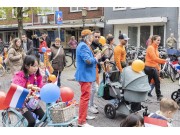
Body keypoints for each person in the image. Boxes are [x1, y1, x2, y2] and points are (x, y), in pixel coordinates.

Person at [75, 29, 101, 127]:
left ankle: (84, 116)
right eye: (91, 36)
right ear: (87, 37)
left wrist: (96, 57)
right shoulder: (83, 46)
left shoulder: (85, 46)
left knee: (86, 97)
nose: (92, 38)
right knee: (85, 98)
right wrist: (96, 58)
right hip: (85, 76)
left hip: (87, 76)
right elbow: (88, 61)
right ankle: (81, 121)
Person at [12, 55, 45, 127]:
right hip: (20, 102)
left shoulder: (36, 76)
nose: (36, 68)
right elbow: (18, 89)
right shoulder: (19, 76)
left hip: (31, 101)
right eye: (33, 66)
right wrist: (27, 91)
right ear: (26, 66)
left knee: (44, 117)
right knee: (31, 121)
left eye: (37, 66)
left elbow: (41, 86)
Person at [144, 35, 166, 101]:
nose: (159, 41)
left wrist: (158, 68)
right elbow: (154, 58)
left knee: (157, 81)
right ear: (153, 40)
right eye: (157, 40)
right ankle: (144, 97)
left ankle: (158, 96)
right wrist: (164, 61)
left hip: (154, 68)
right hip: (148, 67)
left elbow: (156, 61)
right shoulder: (150, 48)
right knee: (147, 83)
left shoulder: (156, 48)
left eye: (159, 40)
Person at [88, 30, 103, 114]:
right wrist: (97, 60)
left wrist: (105, 59)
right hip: (92, 70)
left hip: (97, 69)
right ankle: (90, 106)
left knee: (94, 88)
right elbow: (92, 59)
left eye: (98, 37)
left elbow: (102, 56)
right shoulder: (90, 46)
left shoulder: (99, 45)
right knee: (93, 88)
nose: (97, 38)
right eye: (95, 36)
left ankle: (92, 103)